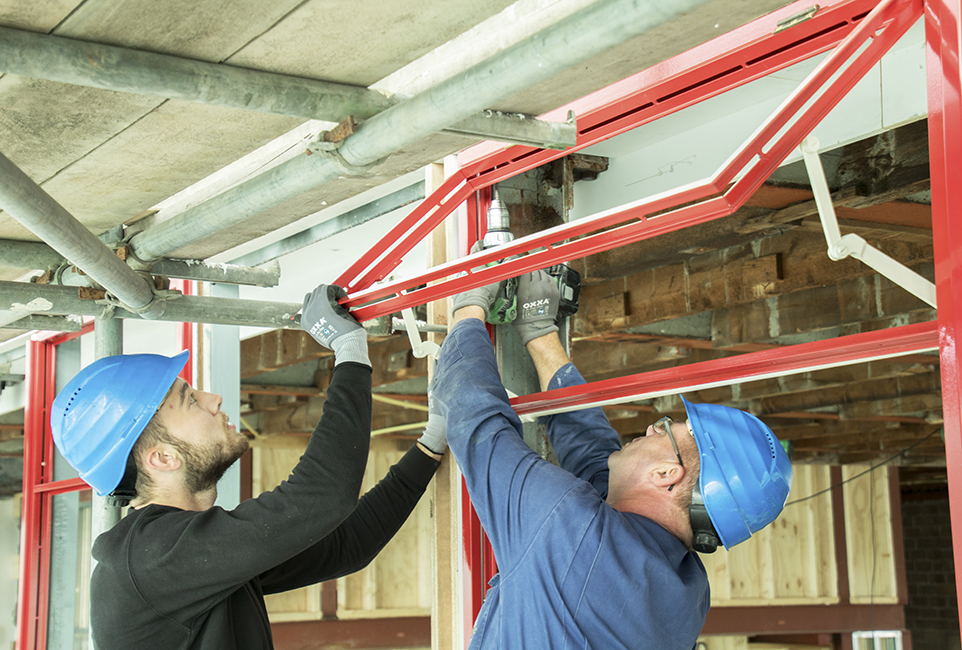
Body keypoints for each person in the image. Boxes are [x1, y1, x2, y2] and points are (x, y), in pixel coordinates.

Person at [50, 284, 447, 650]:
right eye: (189, 399)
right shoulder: (152, 561)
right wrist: (349, 350)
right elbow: (320, 497)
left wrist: (433, 440)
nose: (214, 399)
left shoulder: (185, 559)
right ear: (163, 458)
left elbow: (347, 545)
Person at [433, 269, 793, 649]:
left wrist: (468, 304)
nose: (654, 428)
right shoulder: (686, 591)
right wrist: (540, 334)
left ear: (667, 473)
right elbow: (595, 460)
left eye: (669, 428)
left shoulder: (569, 531)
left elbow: (477, 421)